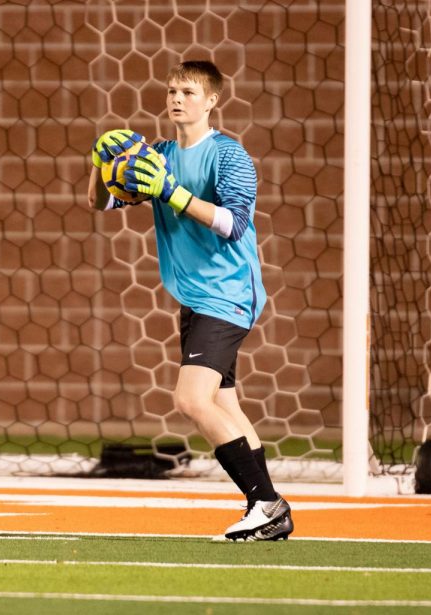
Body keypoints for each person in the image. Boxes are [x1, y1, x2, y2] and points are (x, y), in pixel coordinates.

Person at [87, 60, 293, 541]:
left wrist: (172, 193)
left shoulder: (229, 155)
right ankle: (271, 511)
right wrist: (100, 166)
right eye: (172, 90)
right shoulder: (155, 153)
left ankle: (265, 503)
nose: (177, 98)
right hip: (195, 299)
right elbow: (104, 204)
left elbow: (233, 224)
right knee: (227, 406)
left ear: (212, 100)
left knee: (190, 398)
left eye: (189, 91)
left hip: (228, 293)